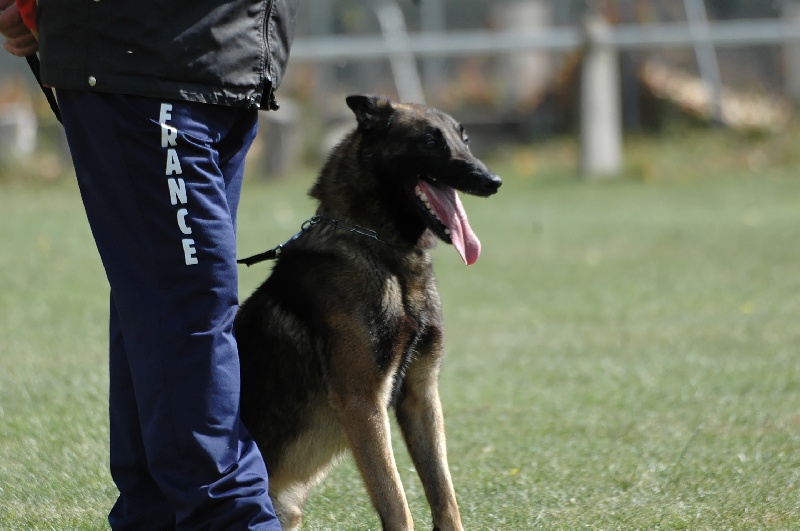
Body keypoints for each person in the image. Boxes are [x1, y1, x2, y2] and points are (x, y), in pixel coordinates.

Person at [1, 0, 300, 528]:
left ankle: (156, 516)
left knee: (161, 296)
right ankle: (232, 520)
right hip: (142, 56)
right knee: (185, 303)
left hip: (224, 62)